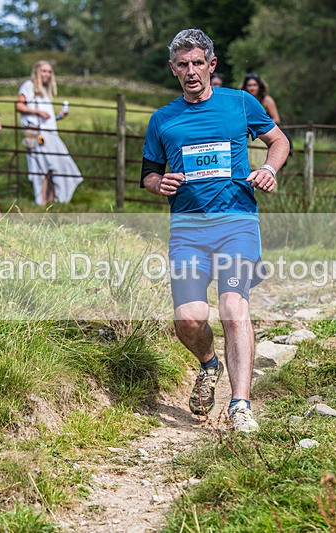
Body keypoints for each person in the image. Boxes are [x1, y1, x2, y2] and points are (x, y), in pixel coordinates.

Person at [141, 29, 289, 433]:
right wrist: (161, 184)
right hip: (187, 231)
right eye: (182, 65)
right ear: (173, 69)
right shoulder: (162, 119)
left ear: (212, 65)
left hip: (236, 223)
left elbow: (279, 140)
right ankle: (209, 364)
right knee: (188, 320)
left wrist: (269, 168)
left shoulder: (240, 103)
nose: (191, 71)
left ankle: (240, 404)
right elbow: (149, 175)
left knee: (231, 307)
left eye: (197, 63)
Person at [15, 60, 83, 205]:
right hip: (38, 134)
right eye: (44, 71)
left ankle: (54, 199)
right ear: (36, 72)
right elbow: (19, 106)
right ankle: (43, 202)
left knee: (58, 166)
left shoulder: (45, 91)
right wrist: (37, 111)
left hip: (49, 133)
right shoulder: (29, 86)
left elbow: (46, 119)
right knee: (43, 168)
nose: (47, 74)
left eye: (49, 71)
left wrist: (58, 116)